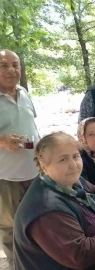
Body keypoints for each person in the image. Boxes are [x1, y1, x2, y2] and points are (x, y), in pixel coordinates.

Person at [13, 132, 95, 270]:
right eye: (63, 159)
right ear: (44, 166)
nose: (73, 165)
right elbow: (81, 256)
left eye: (75, 156)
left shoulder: (69, 181)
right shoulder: (46, 210)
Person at [0, 49, 40, 268]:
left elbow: (32, 126)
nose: (11, 70)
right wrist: (2, 140)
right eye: (3, 65)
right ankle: (17, 265)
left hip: (33, 172)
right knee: (9, 227)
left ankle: (36, 261)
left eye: (15, 65)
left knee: (36, 220)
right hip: (6, 178)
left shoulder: (24, 92)